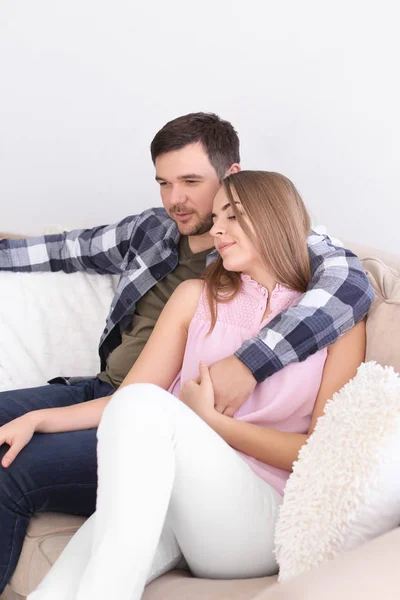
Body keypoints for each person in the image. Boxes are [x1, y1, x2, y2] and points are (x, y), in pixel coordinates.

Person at [0, 113, 372, 594]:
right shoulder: (196, 295)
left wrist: (213, 420)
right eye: (218, 218)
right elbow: (65, 250)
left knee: (139, 408)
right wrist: (41, 419)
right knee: (74, 572)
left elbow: (319, 454)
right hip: (168, 479)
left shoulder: (335, 311)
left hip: (254, 508)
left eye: (230, 214)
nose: (215, 229)